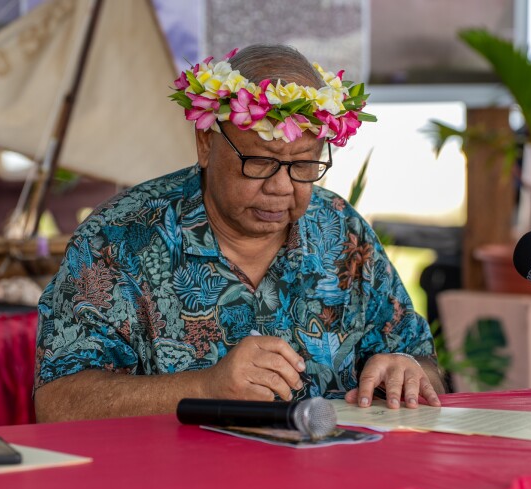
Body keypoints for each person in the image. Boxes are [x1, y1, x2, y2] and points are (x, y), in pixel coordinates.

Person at [34, 44, 445, 422]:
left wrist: (405, 371)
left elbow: (424, 365)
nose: (282, 187)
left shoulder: (341, 231)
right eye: (260, 162)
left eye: (304, 166)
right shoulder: (118, 239)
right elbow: (58, 403)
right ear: (206, 144)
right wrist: (203, 388)